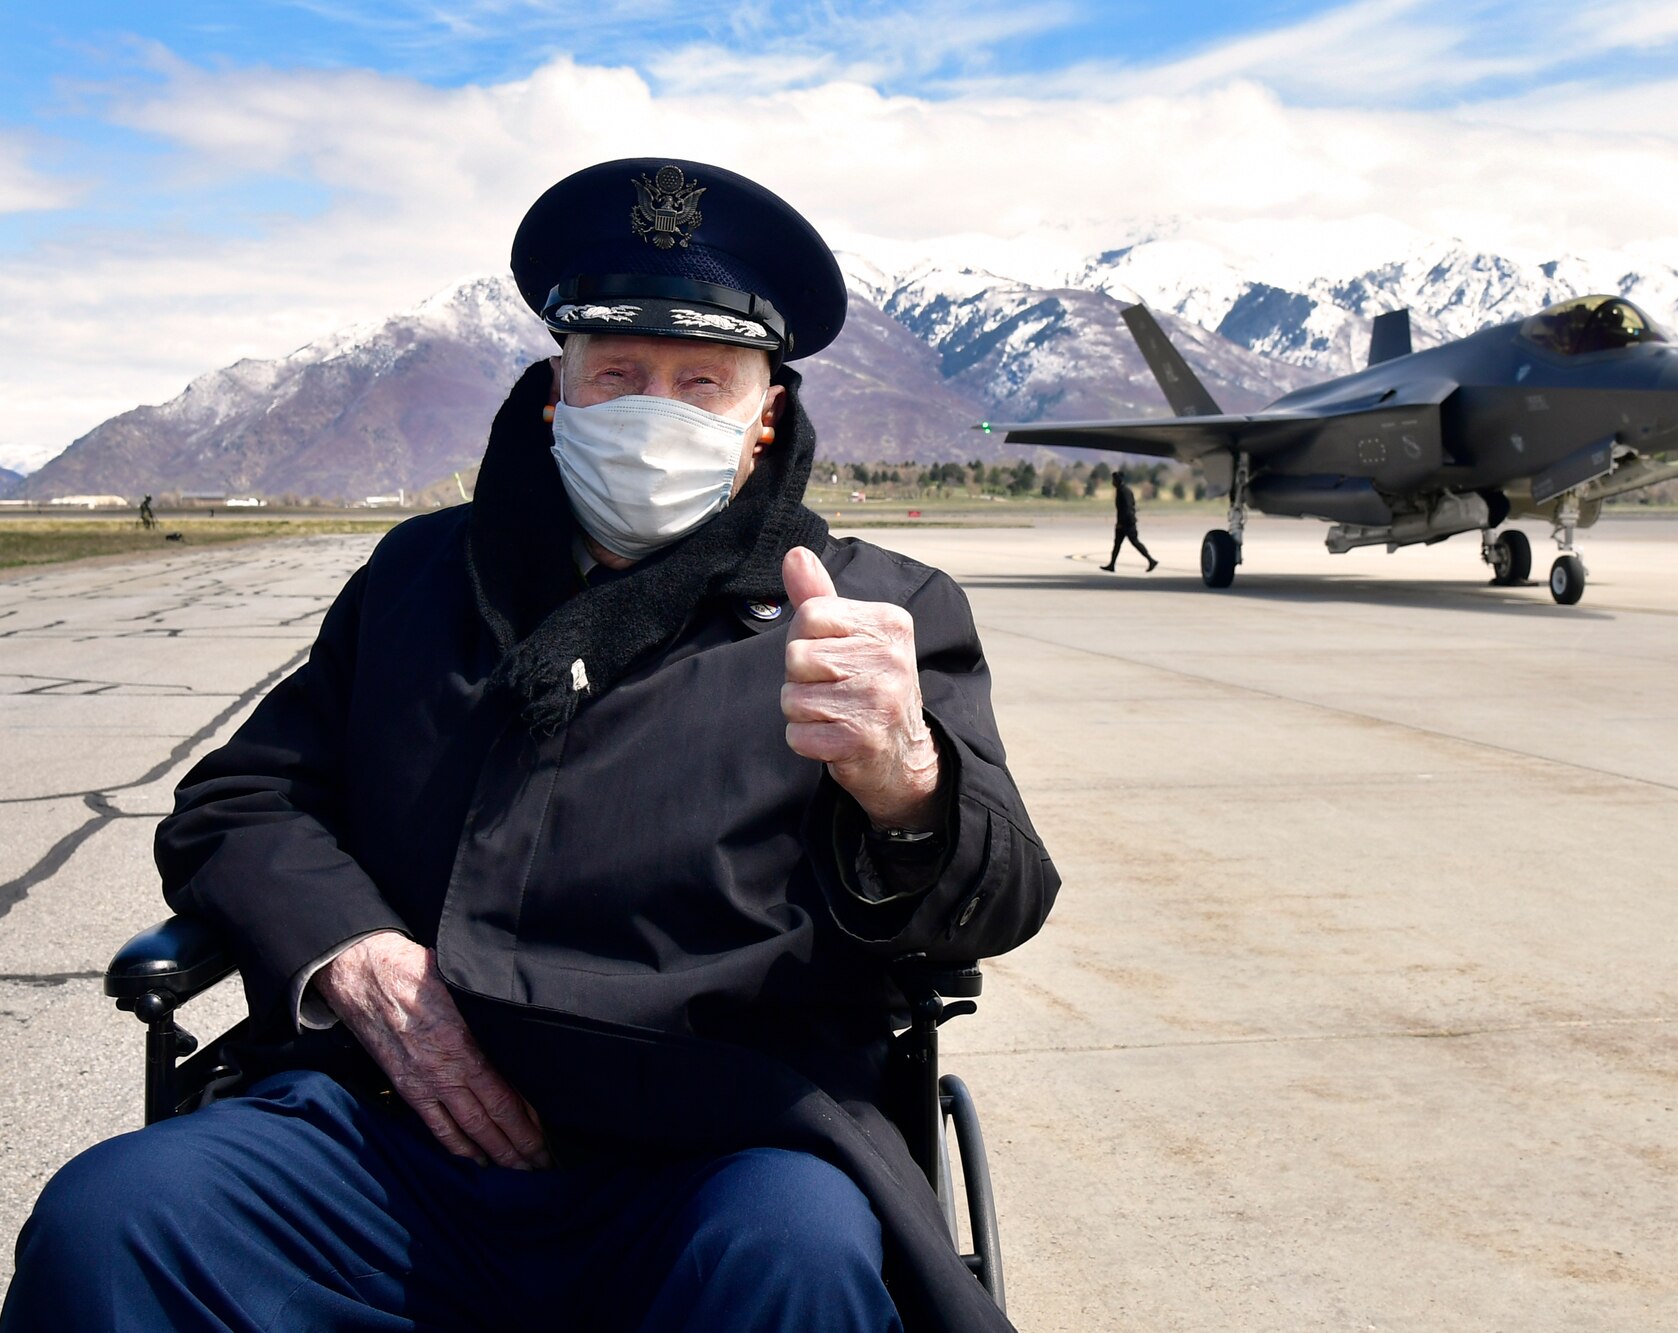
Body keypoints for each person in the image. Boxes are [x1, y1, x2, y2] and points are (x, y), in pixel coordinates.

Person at [2, 159, 1059, 1333]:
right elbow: (242, 799)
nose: (652, 409)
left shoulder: (871, 616)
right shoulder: (418, 580)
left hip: (719, 1146)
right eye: (617, 373)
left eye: (700, 380)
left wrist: (901, 777)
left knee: (797, 1254)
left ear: (765, 415)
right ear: (558, 389)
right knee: (117, 1218)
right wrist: (345, 947)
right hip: (389, 1132)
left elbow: (1001, 893)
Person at [1100, 469, 1157, 572]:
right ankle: (1112, 565)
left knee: (1135, 542)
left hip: (1127, 523)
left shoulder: (1124, 491)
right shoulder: (1121, 490)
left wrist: (1122, 523)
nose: (1113, 482)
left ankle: (1151, 560)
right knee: (1117, 544)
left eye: (1114, 480)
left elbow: (1127, 508)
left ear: (1118, 480)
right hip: (1123, 522)